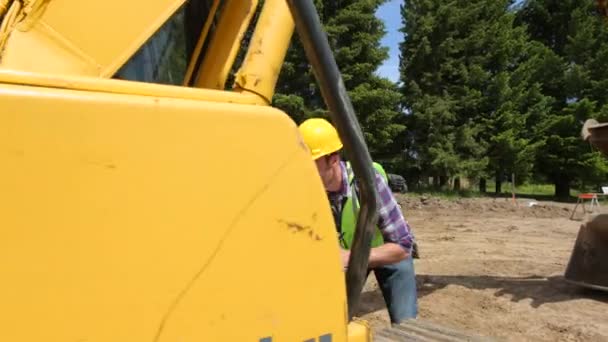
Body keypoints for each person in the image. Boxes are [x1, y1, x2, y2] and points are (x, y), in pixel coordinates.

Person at [298, 118, 418, 324]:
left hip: (388, 253)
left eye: (311, 163)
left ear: (333, 159)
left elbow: (404, 246)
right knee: (332, 319)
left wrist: (349, 257)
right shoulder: (308, 190)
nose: (304, 171)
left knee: (405, 324)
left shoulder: (368, 183)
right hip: (349, 258)